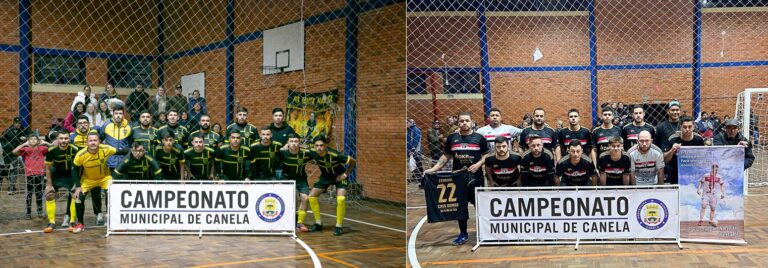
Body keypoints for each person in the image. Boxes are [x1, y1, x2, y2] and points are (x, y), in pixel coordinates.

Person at [423, 112, 487, 246]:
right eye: (462, 121)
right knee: (460, 207)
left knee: (480, 206)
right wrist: (434, 169)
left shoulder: (479, 138)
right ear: (458, 122)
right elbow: (445, 156)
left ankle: (484, 231)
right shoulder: (452, 138)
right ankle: (463, 234)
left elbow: (486, 155)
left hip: (476, 178)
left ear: (472, 122)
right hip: (458, 178)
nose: (464, 123)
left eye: (467, 121)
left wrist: (478, 164)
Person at [306, 135, 357, 236]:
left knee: (341, 199)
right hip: (325, 177)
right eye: (316, 146)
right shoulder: (313, 153)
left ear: (325, 145)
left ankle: (338, 226)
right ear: (314, 146)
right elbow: (300, 149)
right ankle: (318, 223)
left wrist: (345, 174)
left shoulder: (335, 154)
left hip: (339, 177)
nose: (319, 148)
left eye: (321, 145)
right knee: (311, 197)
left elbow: (353, 161)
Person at [72, 133, 117, 233]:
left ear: (99, 142)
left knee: (111, 193)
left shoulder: (106, 148)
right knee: (78, 197)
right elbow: (74, 170)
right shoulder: (81, 154)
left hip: (105, 178)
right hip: (88, 179)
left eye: (95, 140)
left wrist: (133, 151)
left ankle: (112, 220)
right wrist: (78, 186)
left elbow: (121, 151)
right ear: (87, 142)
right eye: (91, 141)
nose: (93, 142)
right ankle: (80, 223)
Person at [42, 131, 79, 232]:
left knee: (75, 195)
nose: (63, 141)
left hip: (70, 176)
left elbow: (79, 167)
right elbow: (48, 168)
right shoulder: (51, 150)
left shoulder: (75, 149)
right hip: (56, 176)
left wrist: (77, 183)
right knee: (49, 195)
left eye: (66, 138)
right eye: (61, 138)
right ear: (57, 139)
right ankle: (51, 222)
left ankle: (72, 221)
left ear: (69, 139)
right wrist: (49, 184)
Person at [278, 133, 314, 232]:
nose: (294, 144)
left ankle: (300, 222)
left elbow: (318, 155)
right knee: (293, 198)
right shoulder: (282, 153)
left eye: (296, 141)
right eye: (291, 141)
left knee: (305, 198)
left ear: (299, 143)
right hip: (287, 178)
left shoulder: (306, 153)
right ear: (288, 143)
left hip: (301, 179)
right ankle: (289, 221)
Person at [13, 135, 50, 218]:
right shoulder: (26, 149)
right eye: (30, 139)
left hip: (40, 174)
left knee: (39, 194)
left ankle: (39, 212)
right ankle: (28, 213)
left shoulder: (42, 148)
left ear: (38, 141)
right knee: (29, 195)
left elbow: (54, 148)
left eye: (35, 139)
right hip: (29, 174)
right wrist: (24, 144)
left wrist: (45, 142)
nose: (33, 140)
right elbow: (14, 152)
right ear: (28, 141)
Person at [663, 115, 705, 184]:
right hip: (676, 175)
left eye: (690, 127)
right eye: (685, 127)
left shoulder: (699, 139)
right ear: (680, 127)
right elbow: (665, 159)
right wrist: (672, 151)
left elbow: (702, 159)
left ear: (693, 127)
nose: (687, 129)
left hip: (693, 175)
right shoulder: (672, 139)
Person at [2, 117, 32, 194]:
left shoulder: (24, 130)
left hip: (18, 153)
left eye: (19, 123)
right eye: (16, 123)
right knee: (5, 169)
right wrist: (5, 146)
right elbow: (2, 138)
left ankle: (11, 187)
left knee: (14, 170)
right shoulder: (9, 130)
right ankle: (11, 183)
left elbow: (32, 135)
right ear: (13, 123)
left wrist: (26, 138)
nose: (17, 125)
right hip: (7, 152)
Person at [100, 105, 133, 173]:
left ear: (123, 115)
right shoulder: (106, 125)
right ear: (113, 114)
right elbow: (100, 139)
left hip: (124, 162)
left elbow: (130, 143)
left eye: (120, 113)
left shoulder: (129, 127)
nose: (118, 116)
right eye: (116, 113)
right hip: (109, 161)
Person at [407, 119, 425, 186]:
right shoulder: (408, 130)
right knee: (413, 163)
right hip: (409, 150)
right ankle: (415, 175)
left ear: (411, 123)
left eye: (407, 123)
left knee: (417, 162)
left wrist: (413, 149)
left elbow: (416, 140)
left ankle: (420, 176)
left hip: (415, 149)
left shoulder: (415, 129)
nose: (406, 124)